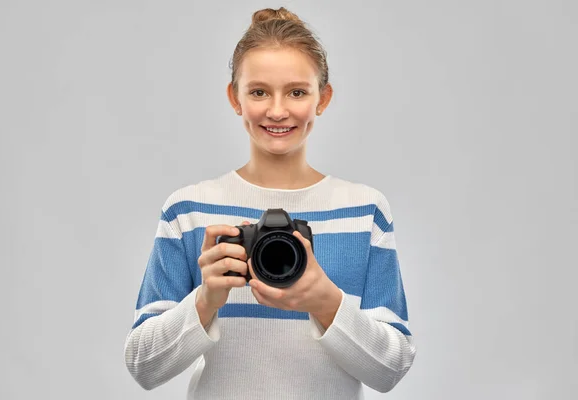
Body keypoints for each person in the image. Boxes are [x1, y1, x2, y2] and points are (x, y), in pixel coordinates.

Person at [124, 7, 416, 399]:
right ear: (235, 97)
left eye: (297, 92)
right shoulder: (189, 210)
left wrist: (325, 301)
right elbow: (144, 367)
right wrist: (206, 300)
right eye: (259, 91)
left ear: (322, 98)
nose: (277, 111)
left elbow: (391, 369)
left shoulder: (365, 210)